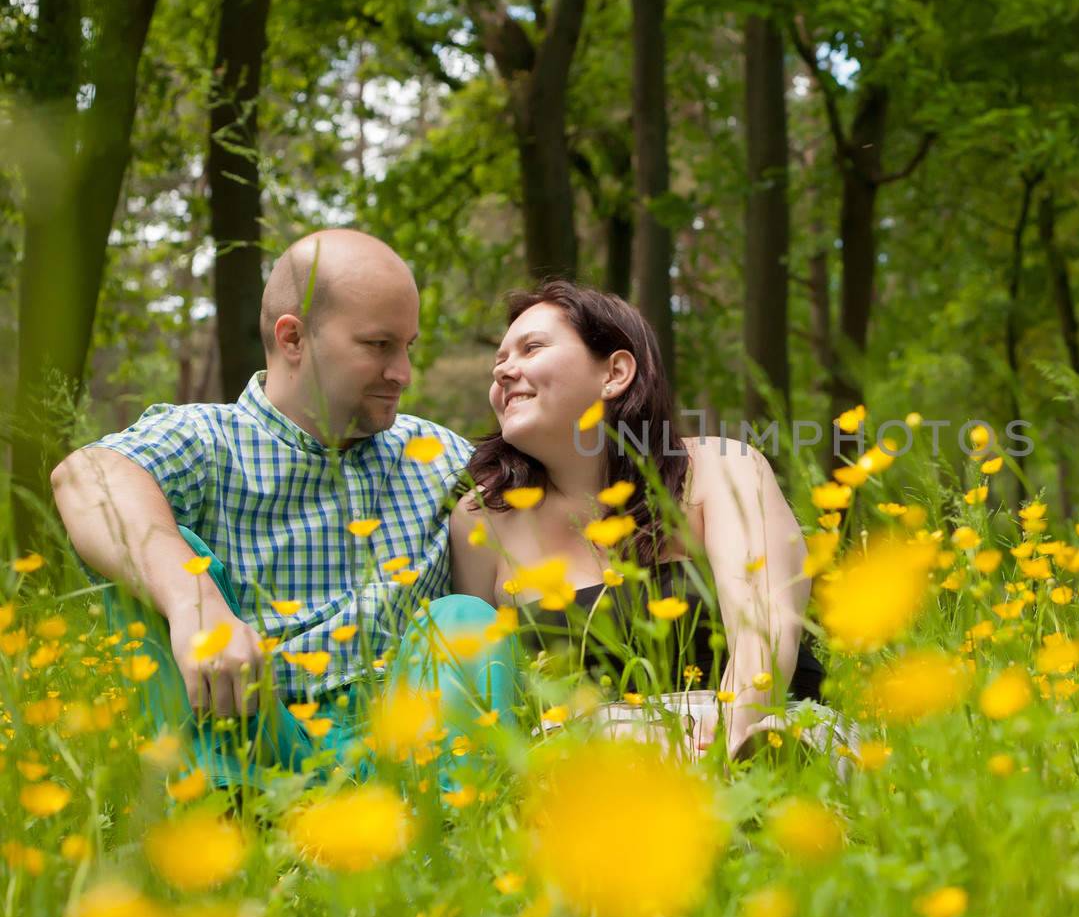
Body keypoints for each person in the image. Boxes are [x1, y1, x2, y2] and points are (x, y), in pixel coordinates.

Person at [50, 228, 508, 787]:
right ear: (292, 339)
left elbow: (551, 515)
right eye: (378, 345)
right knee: (163, 554)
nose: (403, 373)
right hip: (252, 733)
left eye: (407, 346)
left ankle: (447, 833)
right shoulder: (207, 439)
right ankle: (231, 818)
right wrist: (195, 603)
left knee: (464, 619)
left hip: (405, 746)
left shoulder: (436, 456)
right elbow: (86, 475)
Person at [449, 281, 827, 758]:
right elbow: (485, 692)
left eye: (532, 348)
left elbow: (763, 632)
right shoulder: (481, 519)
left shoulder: (720, 467)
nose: (504, 371)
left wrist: (725, 748)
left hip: (750, 733)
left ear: (615, 372)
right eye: (498, 361)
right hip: (586, 764)